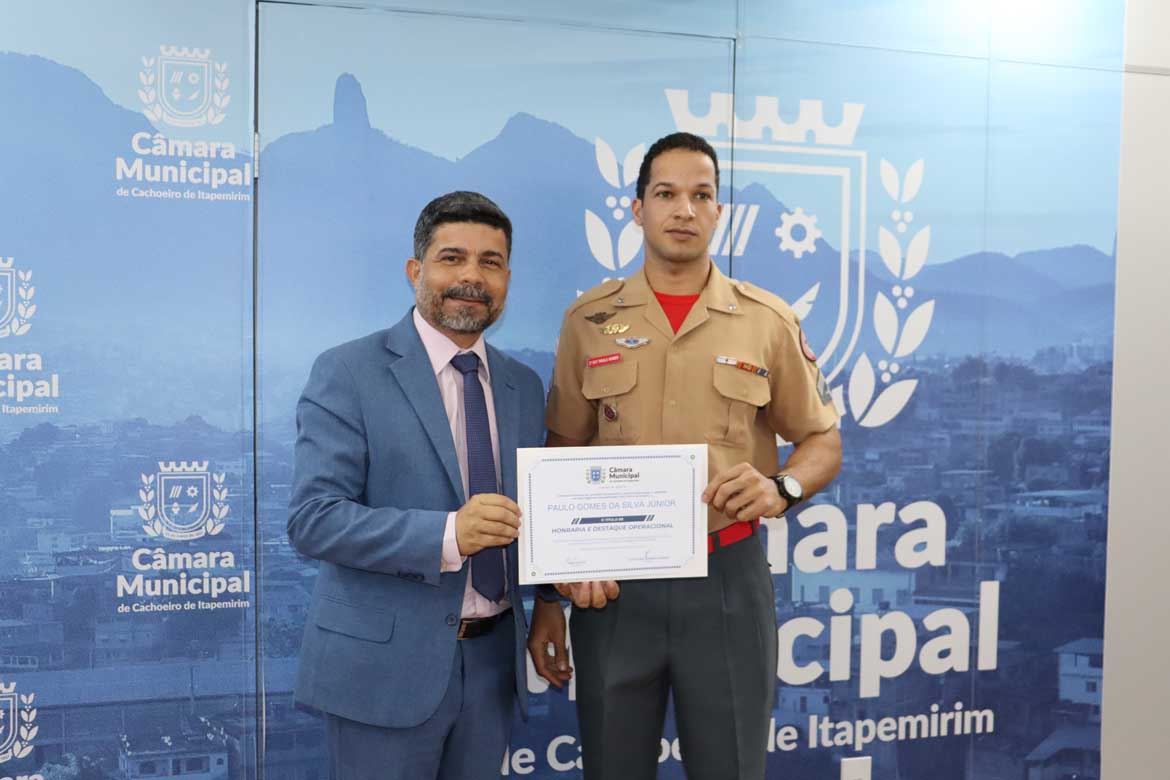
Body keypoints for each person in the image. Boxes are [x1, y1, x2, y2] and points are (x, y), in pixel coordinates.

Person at [527, 133, 843, 780]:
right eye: (666, 193)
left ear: (719, 212)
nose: (684, 210)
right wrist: (551, 596)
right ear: (637, 209)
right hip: (612, 589)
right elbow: (562, 453)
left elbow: (822, 441)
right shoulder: (589, 321)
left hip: (726, 578)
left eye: (701, 196)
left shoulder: (766, 321)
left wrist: (782, 488)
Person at [288, 191, 545, 780]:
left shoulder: (524, 386)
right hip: (381, 671)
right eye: (452, 258)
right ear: (415, 270)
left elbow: (536, 515)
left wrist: (563, 585)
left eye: (490, 262)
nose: (472, 277)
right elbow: (314, 518)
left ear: (507, 279)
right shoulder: (348, 371)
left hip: (493, 664)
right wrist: (449, 534)